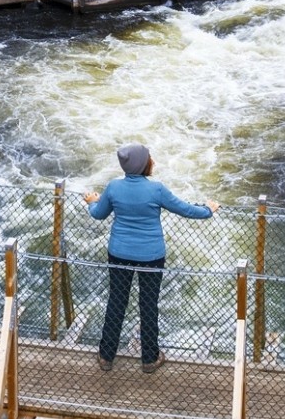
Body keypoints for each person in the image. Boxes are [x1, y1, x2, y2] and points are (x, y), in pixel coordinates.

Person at [82, 143, 215, 372]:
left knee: (116, 302)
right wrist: (209, 210)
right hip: (151, 256)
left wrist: (92, 201)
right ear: (144, 163)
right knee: (148, 304)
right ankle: (149, 359)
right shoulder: (157, 190)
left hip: (119, 253)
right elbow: (186, 210)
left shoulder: (113, 187)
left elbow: (98, 214)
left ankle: (106, 356)